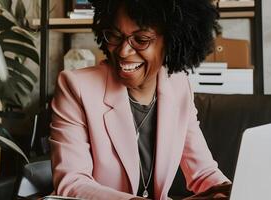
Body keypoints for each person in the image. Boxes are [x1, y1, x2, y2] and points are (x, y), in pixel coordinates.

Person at [49, 0, 230, 199]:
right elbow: (72, 183)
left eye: (141, 39)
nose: (123, 51)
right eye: (115, 36)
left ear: (172, 41)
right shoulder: (76, 87)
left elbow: (203, 173)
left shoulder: (178, 86)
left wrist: (230, 191)